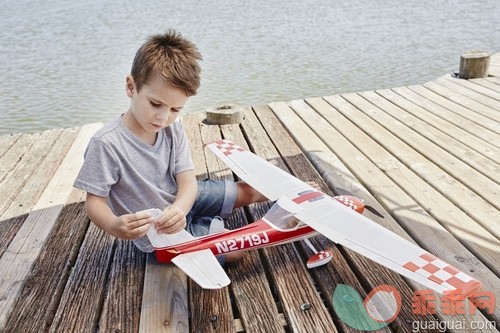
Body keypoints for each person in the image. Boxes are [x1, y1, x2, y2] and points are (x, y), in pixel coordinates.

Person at [73, 29, 266, 261]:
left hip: (183, 202)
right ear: (131, 87)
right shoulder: (106, 144)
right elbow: (95, 202)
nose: (163, 118)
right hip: (159, 234)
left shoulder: (172, 129)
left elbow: (187, 182)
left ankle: (298, 194)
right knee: (236, 250)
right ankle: (209, 226)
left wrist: (181, 209)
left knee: (251, 191)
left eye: (175, 109)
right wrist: (114, 225)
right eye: (156, 104)